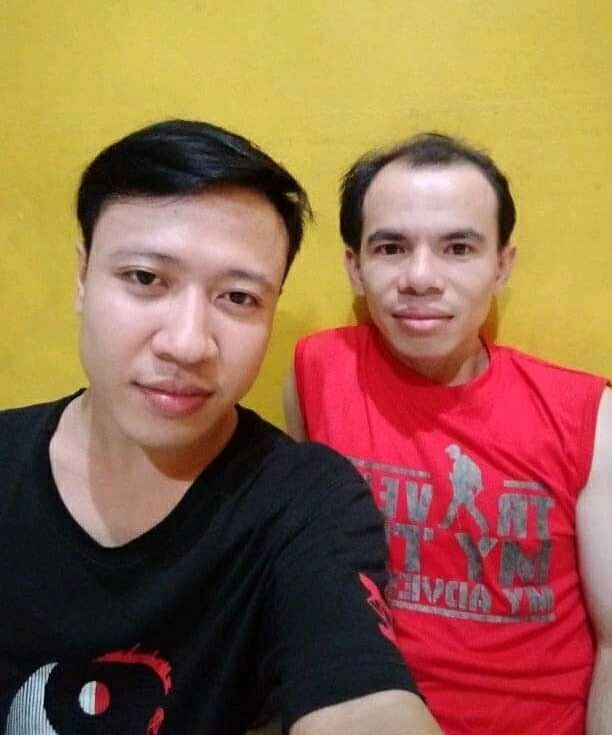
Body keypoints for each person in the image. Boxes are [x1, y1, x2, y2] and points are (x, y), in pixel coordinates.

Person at [0, 120, 443, 735]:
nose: (188, 344)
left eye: (238, 298)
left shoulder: (303, 502)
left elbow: (363, 699)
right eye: (145, 279)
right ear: (82, 276)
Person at [284, 133, 611, 734]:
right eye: (391, 247)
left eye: (458, 248)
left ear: (501, 266)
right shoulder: (316, 371)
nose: (420, 277)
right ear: (355, 267)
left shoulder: (586, 414)